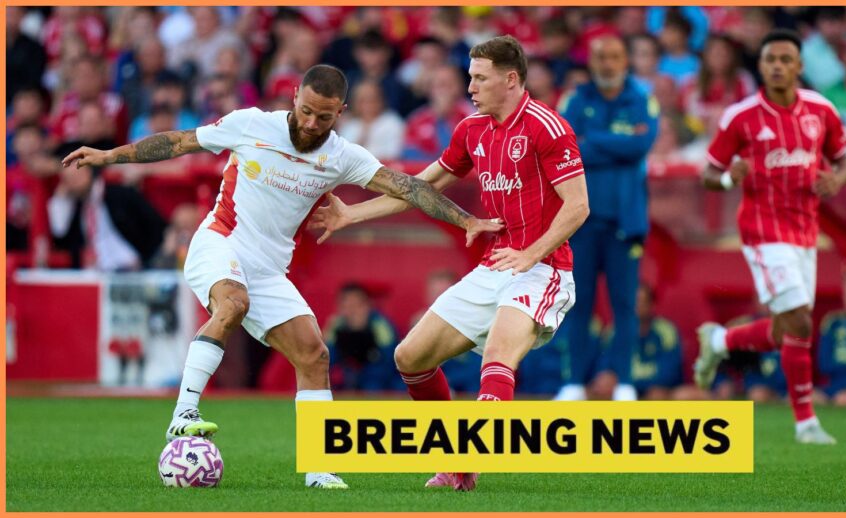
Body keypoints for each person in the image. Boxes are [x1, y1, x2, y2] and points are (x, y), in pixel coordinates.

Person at [61, 64, 502, 490]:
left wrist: (466, 220)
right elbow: (180, 142)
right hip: (220, 242)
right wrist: (109, 155)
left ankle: (319, 469)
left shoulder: (341, 156)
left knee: (314, 355)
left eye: (323, 117)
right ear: (294, 97)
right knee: (233, 304)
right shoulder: (252, 124)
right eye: (305, 110)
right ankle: (184, 414)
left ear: (340, 112)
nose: (310, 123)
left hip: (269, 269)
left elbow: (409, 187)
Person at [311, 35, 589, 491]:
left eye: (480, 78)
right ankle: (455, 458)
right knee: (410, 357)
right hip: (494, 266)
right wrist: (351, 214)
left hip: (543, 269)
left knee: (497, 357)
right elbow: (420, 187)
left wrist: (530, 254)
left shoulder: (548, 127)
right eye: (470, 77)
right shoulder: (472, 130)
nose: (471, 87)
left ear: (511, 79)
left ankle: (464, 466)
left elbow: (578, 206)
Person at [693, 30, 846, 445]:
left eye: (785, 59)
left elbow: (844, 158)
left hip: (806, 231)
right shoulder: (740, 116)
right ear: (761, 66)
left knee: (788, 328)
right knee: (800, 319)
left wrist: (837, 180)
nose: (777, 66)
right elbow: (708, 173)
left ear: (799, 66)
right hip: (763, 231)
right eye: (770, 60)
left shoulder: (821, 110)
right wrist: (728, 178)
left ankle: (720, 340)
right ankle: (806, 423)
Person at [554, 35, 658, 402]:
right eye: (601, 57)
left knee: (625, 305)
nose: (608, 64)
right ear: (591, 61)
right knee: (576, 304)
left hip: (625, 221)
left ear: (625, 61)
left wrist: (591, 140)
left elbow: (640, 145)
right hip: (579, 222)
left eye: (614, 56)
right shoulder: (574, 99)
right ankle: (573, 383)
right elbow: (565, 149)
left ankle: (624, 382)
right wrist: (617, 143)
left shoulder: (642, 98)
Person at [325, 282, 400, 391]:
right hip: (347, 381)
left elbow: (390, 363)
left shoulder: (380, 326)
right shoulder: (336, 326)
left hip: (379, 382)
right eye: (347, 307)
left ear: (368, 306)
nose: (352, 312)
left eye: (357, 306)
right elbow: (326, 362)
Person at [816, 269, 846, 406]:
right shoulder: (833, 322)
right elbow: (823, 365)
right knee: (806, 399)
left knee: (843, 399)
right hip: (834, 386)